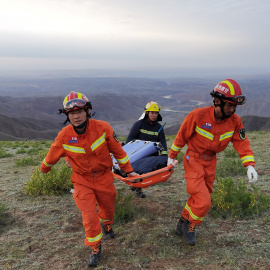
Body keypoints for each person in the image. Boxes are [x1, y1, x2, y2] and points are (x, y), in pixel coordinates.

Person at [40, 91, 137, 267]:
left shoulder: (103, 128)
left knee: (107, 209)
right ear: (67, 115)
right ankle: (95, 246)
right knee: (89, 215)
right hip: (81, 180)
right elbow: (52, 155)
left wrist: (129, 171)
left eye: (79, 112)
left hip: (104, 178)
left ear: (87, 112)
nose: (76, 117)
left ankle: (107, 226)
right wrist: (44, 168)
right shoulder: (64, 135)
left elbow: (118, 152)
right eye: (71, 113)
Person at [167, 79, 258, 246]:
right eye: (229, 105)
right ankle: (190, 225)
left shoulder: (235, 121)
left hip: (211, 162)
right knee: (203, 201)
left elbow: (241, 143)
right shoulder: (197, 115)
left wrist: (249, 165)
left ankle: (182, 222)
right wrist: (172, 156)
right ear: (217, 101)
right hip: (193, 159)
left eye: (234, 106)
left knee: (199, 197)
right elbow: (181, 136)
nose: (232, 109)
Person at [126, 101, 168, 198]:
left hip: (151, 155)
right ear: (147, 113)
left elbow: (163, 142)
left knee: (144, 172)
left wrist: (164, 157)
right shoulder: (139, 124)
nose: (154, 115)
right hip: (138, 154)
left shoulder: (159, 127)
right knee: (137, 171)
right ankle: (137, 188)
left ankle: (138, 188)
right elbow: (130, 140)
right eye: (152, 113)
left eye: (156, 113)